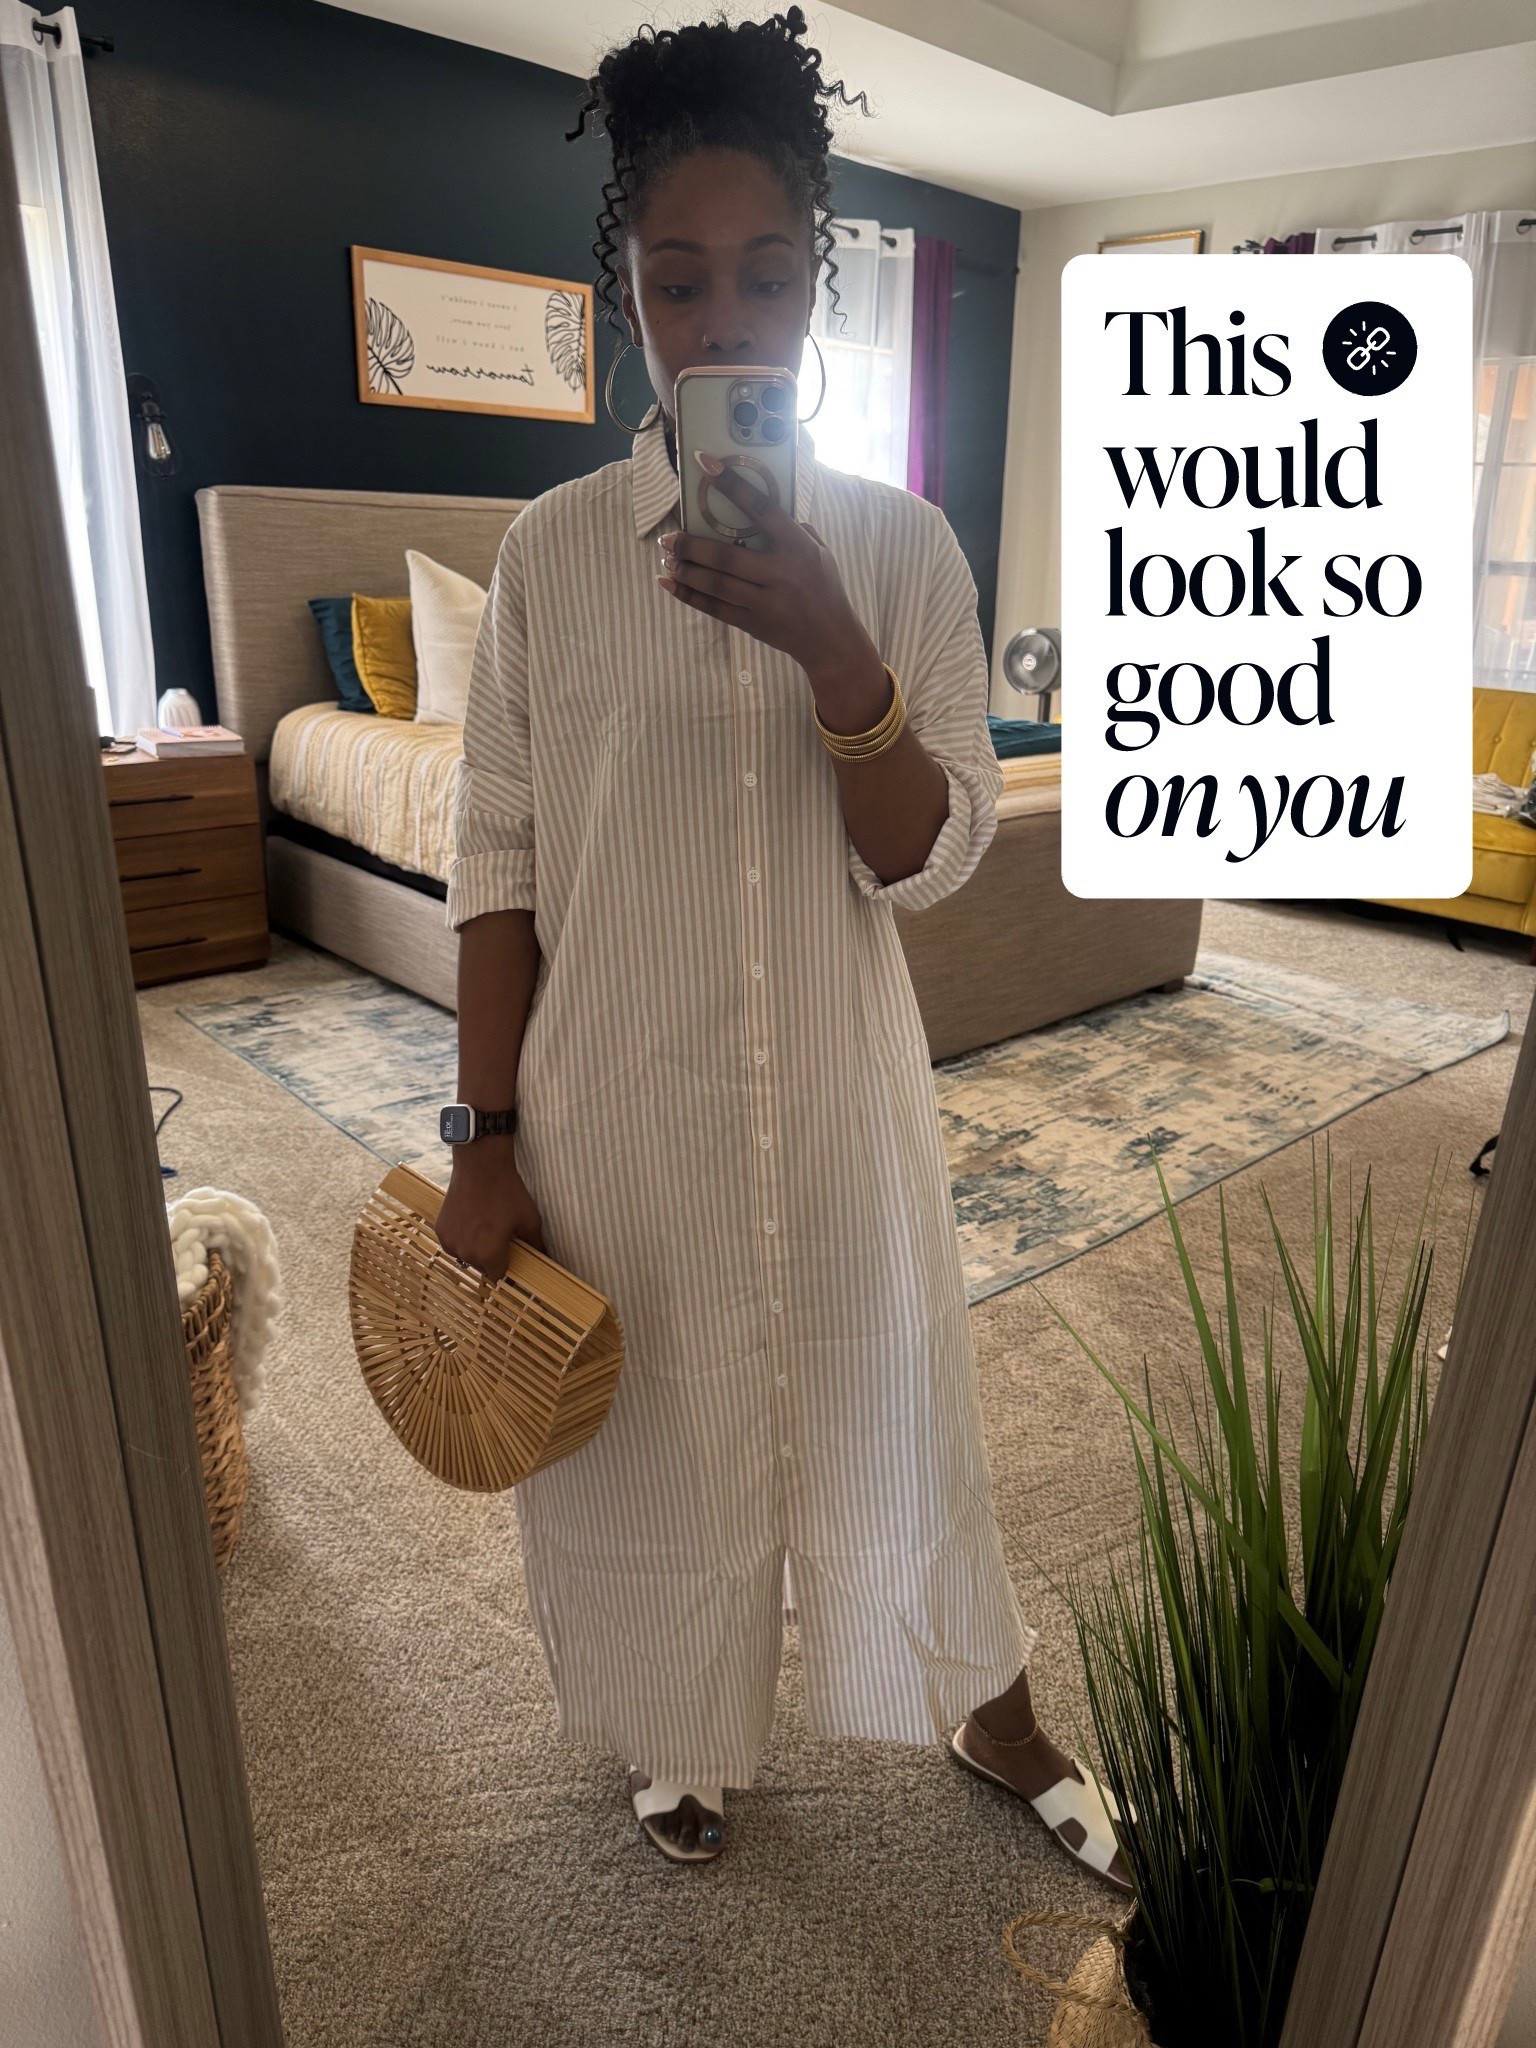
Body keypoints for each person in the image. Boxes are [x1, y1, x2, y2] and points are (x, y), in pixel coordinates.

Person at [435, 4, 1129, 1889]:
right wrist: (482, 1135)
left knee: (895, 1402)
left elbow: (929, 858)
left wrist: (836, 650)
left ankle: (984, 1703)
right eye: (678, 282)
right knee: (655, 1436)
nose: (723, 321)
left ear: (820, 282)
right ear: (629, 299)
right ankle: (683, 1726)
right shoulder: (550, 558)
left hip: (836, 1104)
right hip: (618, 1112)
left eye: (764, 276)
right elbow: (496, 863)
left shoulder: (904, 547)